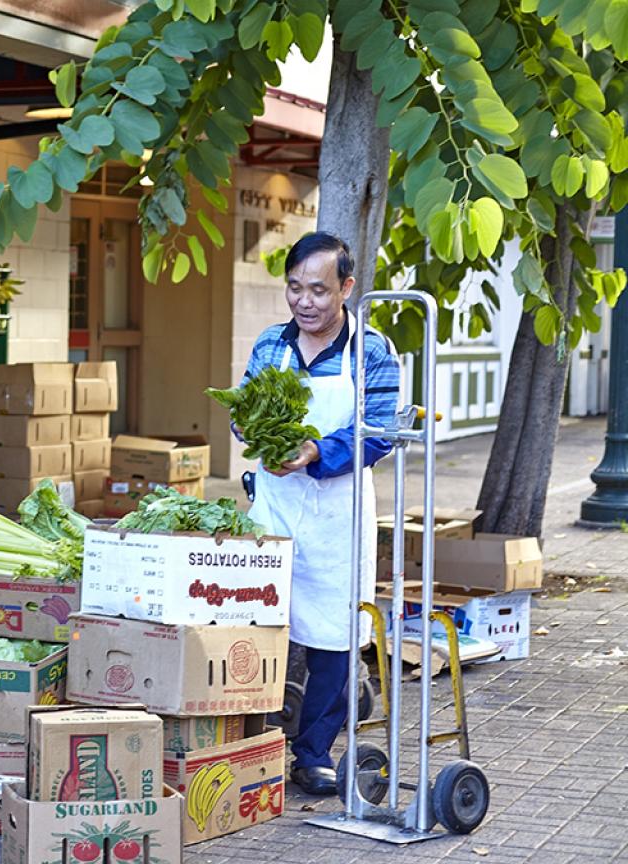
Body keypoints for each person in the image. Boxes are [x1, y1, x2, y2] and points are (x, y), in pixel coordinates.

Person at [236, 232, 399, 795]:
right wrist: (250, 427)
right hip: (275, 507)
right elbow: (242, 410)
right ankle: (251, 740)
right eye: (294, 288)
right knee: (258, 621)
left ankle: (313, 753)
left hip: (338, 511)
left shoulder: (371, 350)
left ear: (347, 289)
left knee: (333, 633)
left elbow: (377, 432)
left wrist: (314, 452)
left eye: (319, 291)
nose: (304, 302)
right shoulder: (271, 347)